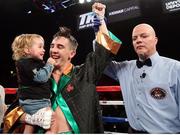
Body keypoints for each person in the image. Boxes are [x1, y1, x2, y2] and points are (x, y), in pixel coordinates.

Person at [3, 2, 121, 133]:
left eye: (60, 47)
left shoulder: (83, 74)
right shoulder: (38, 76)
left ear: (72, 53)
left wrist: (100, 20)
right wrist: (29, 118)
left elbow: (103, 53)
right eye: (52, 46)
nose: (53, 50)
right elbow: (11, 114)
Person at [104, 22, 180, 133]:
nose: (138, 40)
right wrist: (100, 31)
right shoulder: (124, 68)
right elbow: (101, 62)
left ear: (155, 40)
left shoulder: (175, 68)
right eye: (134, 38)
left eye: (144, 36)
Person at [11, 34, 57, 133]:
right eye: (40, 47)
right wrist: (49, 64)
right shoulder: (26, 63)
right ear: (27, 50)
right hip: (34, 103)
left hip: (35, 101)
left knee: (30, 125)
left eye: (43, 47)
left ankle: (31, 119)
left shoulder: (31, 63)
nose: (44, 50)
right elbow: (41, 77)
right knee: (50, 121)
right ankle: (31, 119)